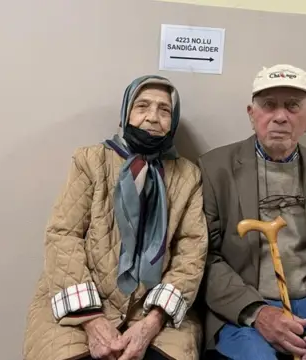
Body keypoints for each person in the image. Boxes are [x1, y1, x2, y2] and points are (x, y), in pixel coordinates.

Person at [197, 64, 306, 360]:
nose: (280, 116)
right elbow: (204, 256)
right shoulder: (215, 168)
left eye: (293, 106)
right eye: (269, 105)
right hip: (244, 309)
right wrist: (258, 312)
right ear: (251, 113)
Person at [23, 75, 208, 360]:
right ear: (126, 114)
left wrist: (152, 322)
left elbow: (191, 251)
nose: (153, 117)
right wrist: (93, 321)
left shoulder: (188, 175)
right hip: (81, 308)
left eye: (164, 110)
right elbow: (62, 235)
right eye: (142, 106)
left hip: (152, 309)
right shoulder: (90, 160)